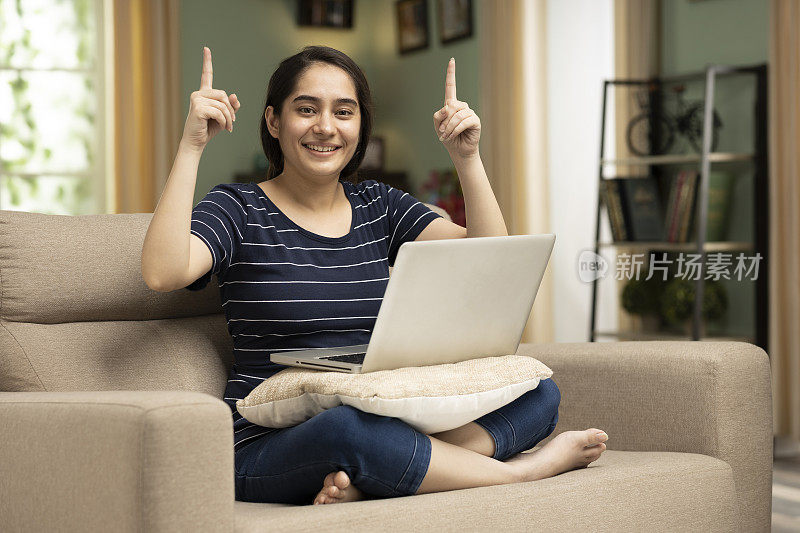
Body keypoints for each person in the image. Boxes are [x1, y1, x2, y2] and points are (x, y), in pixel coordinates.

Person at [141, 45, 608, 506]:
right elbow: (164, 272)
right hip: (269, 441)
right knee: (346, 427)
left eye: (344, 112)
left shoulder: (376, 206)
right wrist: (192, 145)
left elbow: (486, 256)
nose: (326, 127)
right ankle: (520, 473)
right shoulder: (238, 208)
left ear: (360, 125)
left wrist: (466, 158)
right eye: (306, 109)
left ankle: (384, 472)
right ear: (273, 122)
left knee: (537, 392)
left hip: (383, 412)